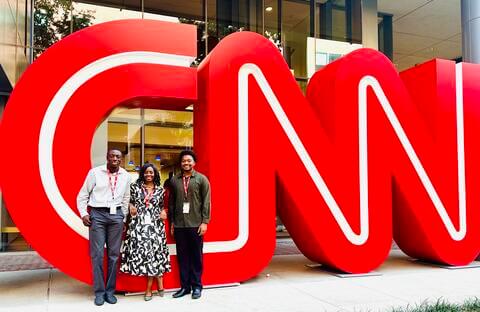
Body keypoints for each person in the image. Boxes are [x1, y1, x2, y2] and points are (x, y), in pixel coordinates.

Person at [77, 149, 131, 306]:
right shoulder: (95, 173)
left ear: (121, 159)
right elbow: (82, 195)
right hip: (98, 215)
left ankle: (110, 291)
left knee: (114, 255)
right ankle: (99, 292)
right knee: (97, 255)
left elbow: (126, 198)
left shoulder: (126, 176)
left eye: (118, 157)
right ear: (107, 157)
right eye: (112, 156)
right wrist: (83, 214)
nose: (115, 158)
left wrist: (124, 217)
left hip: (116, 216)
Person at [120, 163, 171, 301]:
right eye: (146, 172)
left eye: (151, 172)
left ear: (155, 174)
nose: (149, 175)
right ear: (142, 174)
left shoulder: (161, 190)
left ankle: (149, 289)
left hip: (155, 226)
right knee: (148, 254)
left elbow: (164, 206)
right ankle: (159, 281)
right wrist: (131, 206)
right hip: (139, 226)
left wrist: (163, 211)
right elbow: (127, 201)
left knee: (155, 253)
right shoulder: (134, 187)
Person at [169, 150, 211, 299]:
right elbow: (172, 203)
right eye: (183, 161)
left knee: (196, 257)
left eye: (189, 161)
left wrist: (205, 222)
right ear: (180, 163)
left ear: (194, 163)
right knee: (183, 257)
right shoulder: (174, 180)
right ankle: (185, 287)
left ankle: (197, 287)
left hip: (195, 224)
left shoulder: (201, 179)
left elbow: (206, 202)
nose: (186, 163)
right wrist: (172, 222)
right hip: (180, 225)